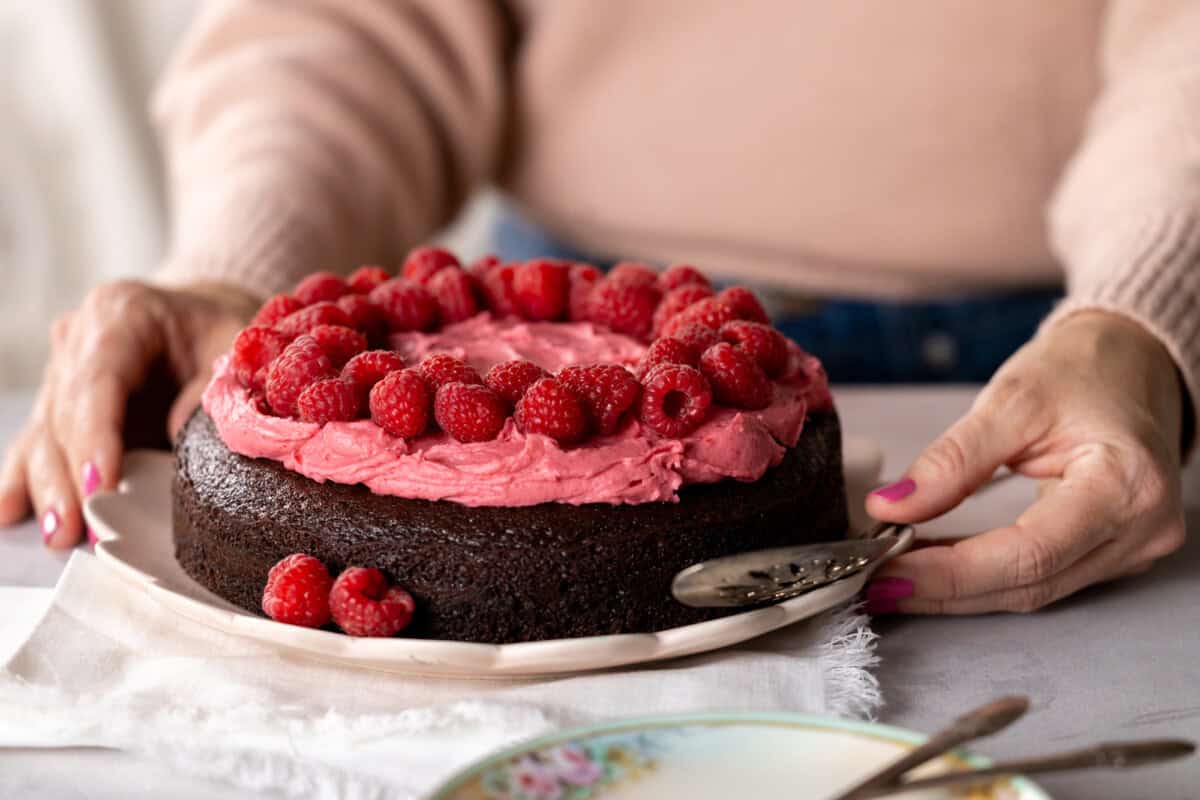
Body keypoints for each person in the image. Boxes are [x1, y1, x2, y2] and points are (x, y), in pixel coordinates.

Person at [0, 1, 1193, 616]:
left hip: (1047, 391)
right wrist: (240, 276)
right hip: (530, 342)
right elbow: (355, 21)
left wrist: (1145, 307)